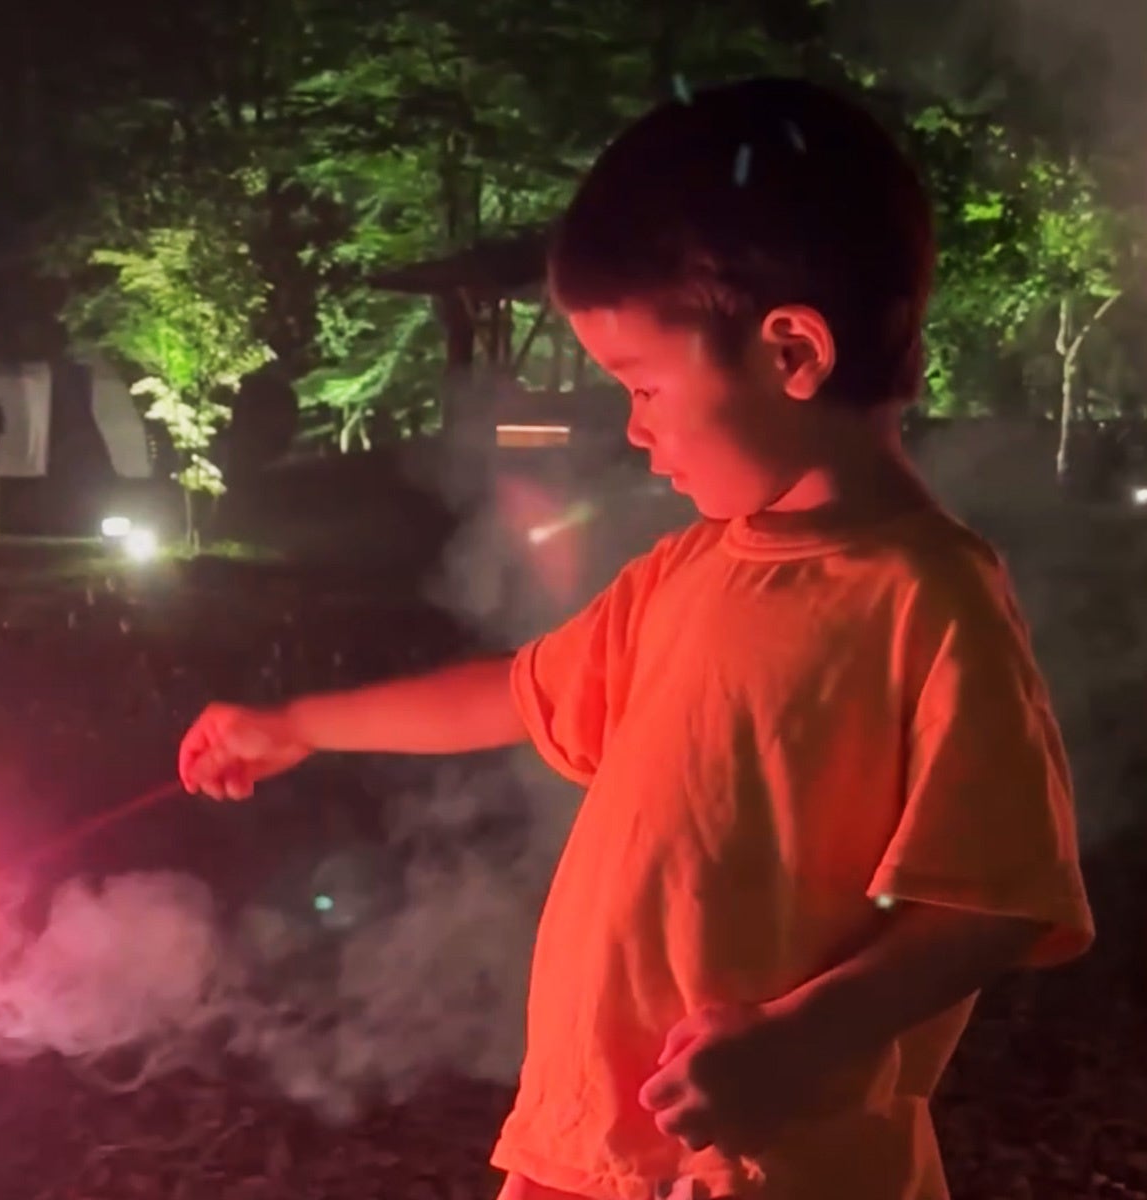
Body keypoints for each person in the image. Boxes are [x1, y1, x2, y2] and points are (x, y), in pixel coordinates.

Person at [177, 77, 1093, 1200]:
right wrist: (295, 725)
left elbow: (995, 901)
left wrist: (802, 1039)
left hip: (766, 1165)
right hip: (588, 1149)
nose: (634, 425)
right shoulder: (689, 571)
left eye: (644, 382)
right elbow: (515, 694)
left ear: (792, 352)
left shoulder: (928, 599)